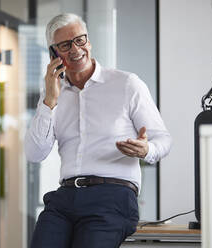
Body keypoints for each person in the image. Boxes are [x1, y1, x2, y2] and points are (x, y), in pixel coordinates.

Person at [25, 13, 172, 248]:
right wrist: (49, 101)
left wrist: (147, 149)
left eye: (80, 40)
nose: (75, 49)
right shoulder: (52, 95)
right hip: (64, 198)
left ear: (89, 41)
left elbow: (164, 139)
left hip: (113, 196)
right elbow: (34, 153)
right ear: (54, 53)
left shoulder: (127, 84)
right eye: (65, 45)